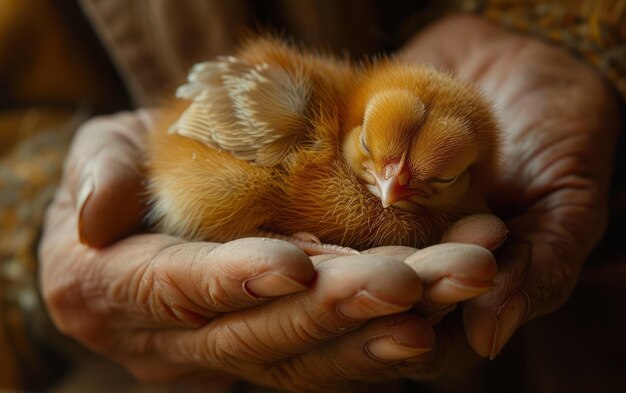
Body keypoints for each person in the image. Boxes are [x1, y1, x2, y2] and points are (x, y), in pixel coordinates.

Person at [2, 0, 625, 391]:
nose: (390, 190)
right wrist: (28, 218)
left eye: (438, 182)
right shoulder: (293, 120)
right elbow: (176, 132)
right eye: (375, 160)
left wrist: (571, 31)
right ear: (354, 123)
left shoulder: (470, 195)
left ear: (478, 176)